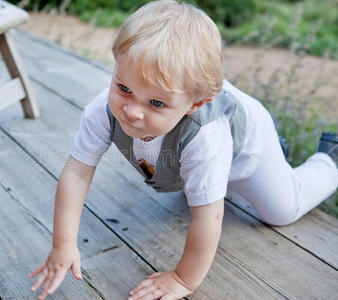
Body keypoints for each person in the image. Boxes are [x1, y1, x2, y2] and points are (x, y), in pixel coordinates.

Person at [29, 1, 338, 299]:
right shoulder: (103, 110)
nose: (132, 111)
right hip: (192, 159)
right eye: (124, 88)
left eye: (156, 102)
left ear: (195, 104)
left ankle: (329, 157)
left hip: (248, 152)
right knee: (192, 189)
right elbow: (77, 173)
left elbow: (209, 220)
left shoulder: (205, 137)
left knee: (282, 210)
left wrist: (182, 278)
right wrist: (64, 243)